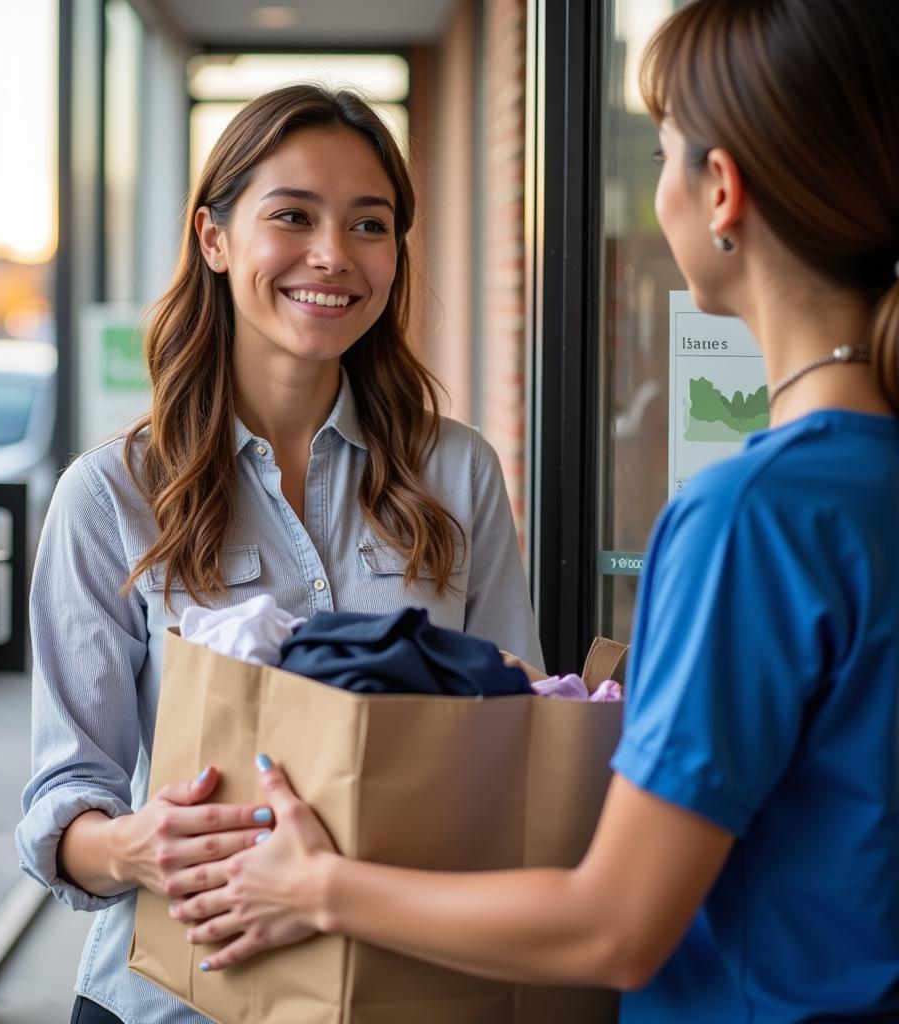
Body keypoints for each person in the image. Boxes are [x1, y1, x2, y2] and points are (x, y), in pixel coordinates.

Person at [178, 3, 899, 1020]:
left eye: (661, 152)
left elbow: (614, 924)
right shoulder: (852, 483)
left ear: (721, 190)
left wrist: (314, 885)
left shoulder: (751, 516)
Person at [16, 85, 543, 1024]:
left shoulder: (456, 474)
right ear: (214, 240)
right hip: (179, 1001)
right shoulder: (109, 497)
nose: (333, 255)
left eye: (369, 224)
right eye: (292, 215)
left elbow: (520, 732)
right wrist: (138, 846)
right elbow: (67, 802)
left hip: (404, 987)